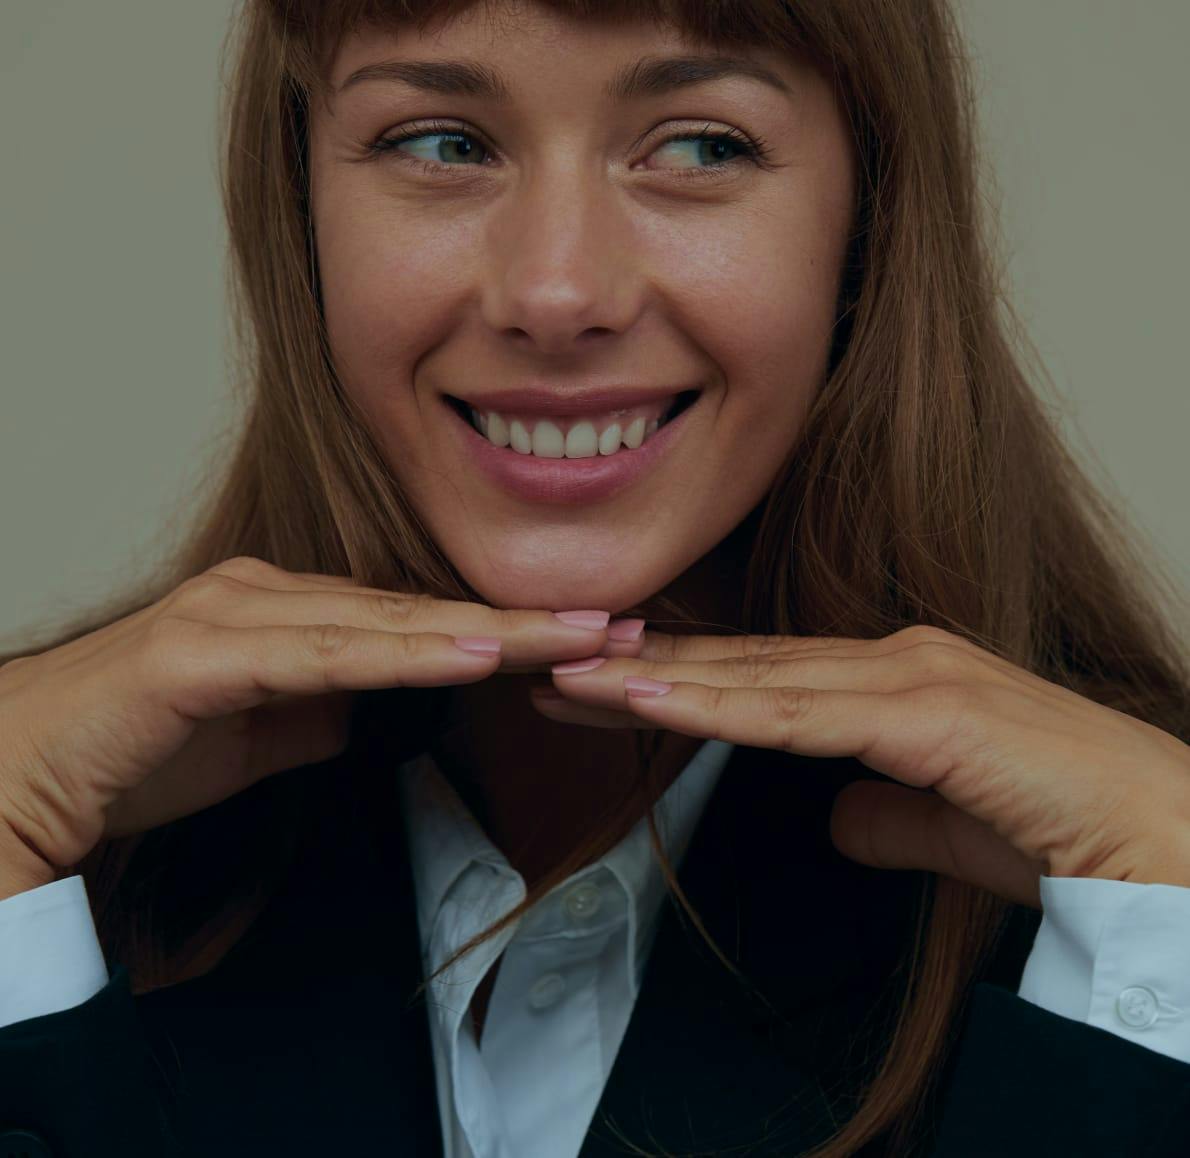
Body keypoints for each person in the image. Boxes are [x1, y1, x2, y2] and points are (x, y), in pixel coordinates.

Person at [0, 0, 1187, 1155]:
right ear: (299, 204)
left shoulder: (1148, 895)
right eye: (441, 143)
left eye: (700, 146)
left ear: (867, 217)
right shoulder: (45, 841)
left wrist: (1163, 955)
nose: (554, 294)